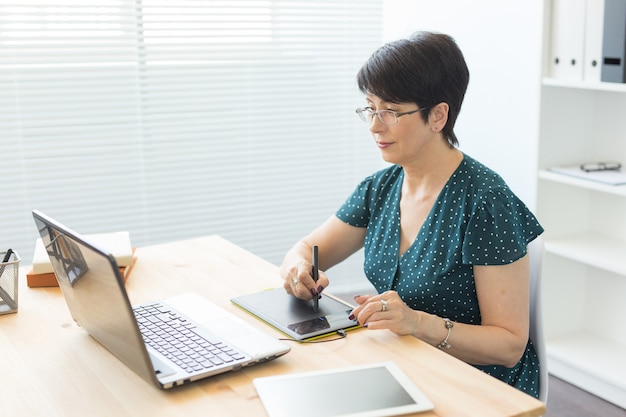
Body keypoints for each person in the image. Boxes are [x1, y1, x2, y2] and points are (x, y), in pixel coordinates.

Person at [279, 31, 544, 398]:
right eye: (370, 108)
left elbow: (509, 346)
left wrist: (418, 323)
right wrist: (296, 268)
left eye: (390, 111)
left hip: (478, 384)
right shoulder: (381, 187)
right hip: (403, 364)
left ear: (438, 116)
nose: (374, 125)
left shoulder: (485, 202)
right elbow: (307, 248)